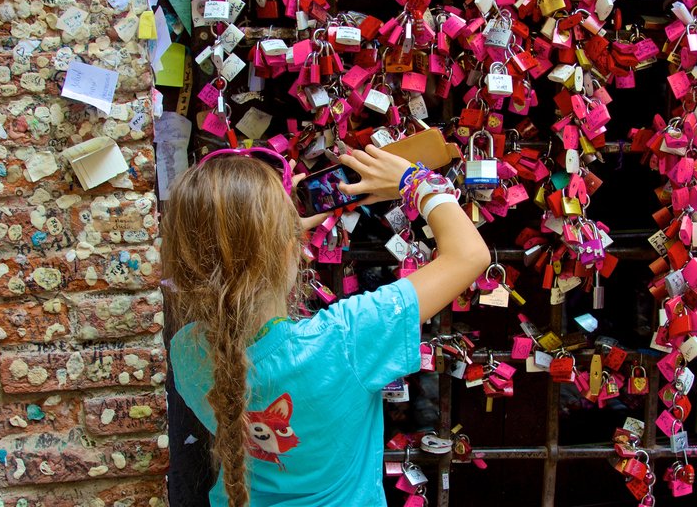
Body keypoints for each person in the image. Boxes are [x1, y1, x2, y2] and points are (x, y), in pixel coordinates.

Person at [163, 144, 490, 506]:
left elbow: (235, 273)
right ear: (292, 248)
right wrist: (414, 181)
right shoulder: (345, 339)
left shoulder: (187, 350)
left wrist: (274, 233)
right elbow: (468, 255)